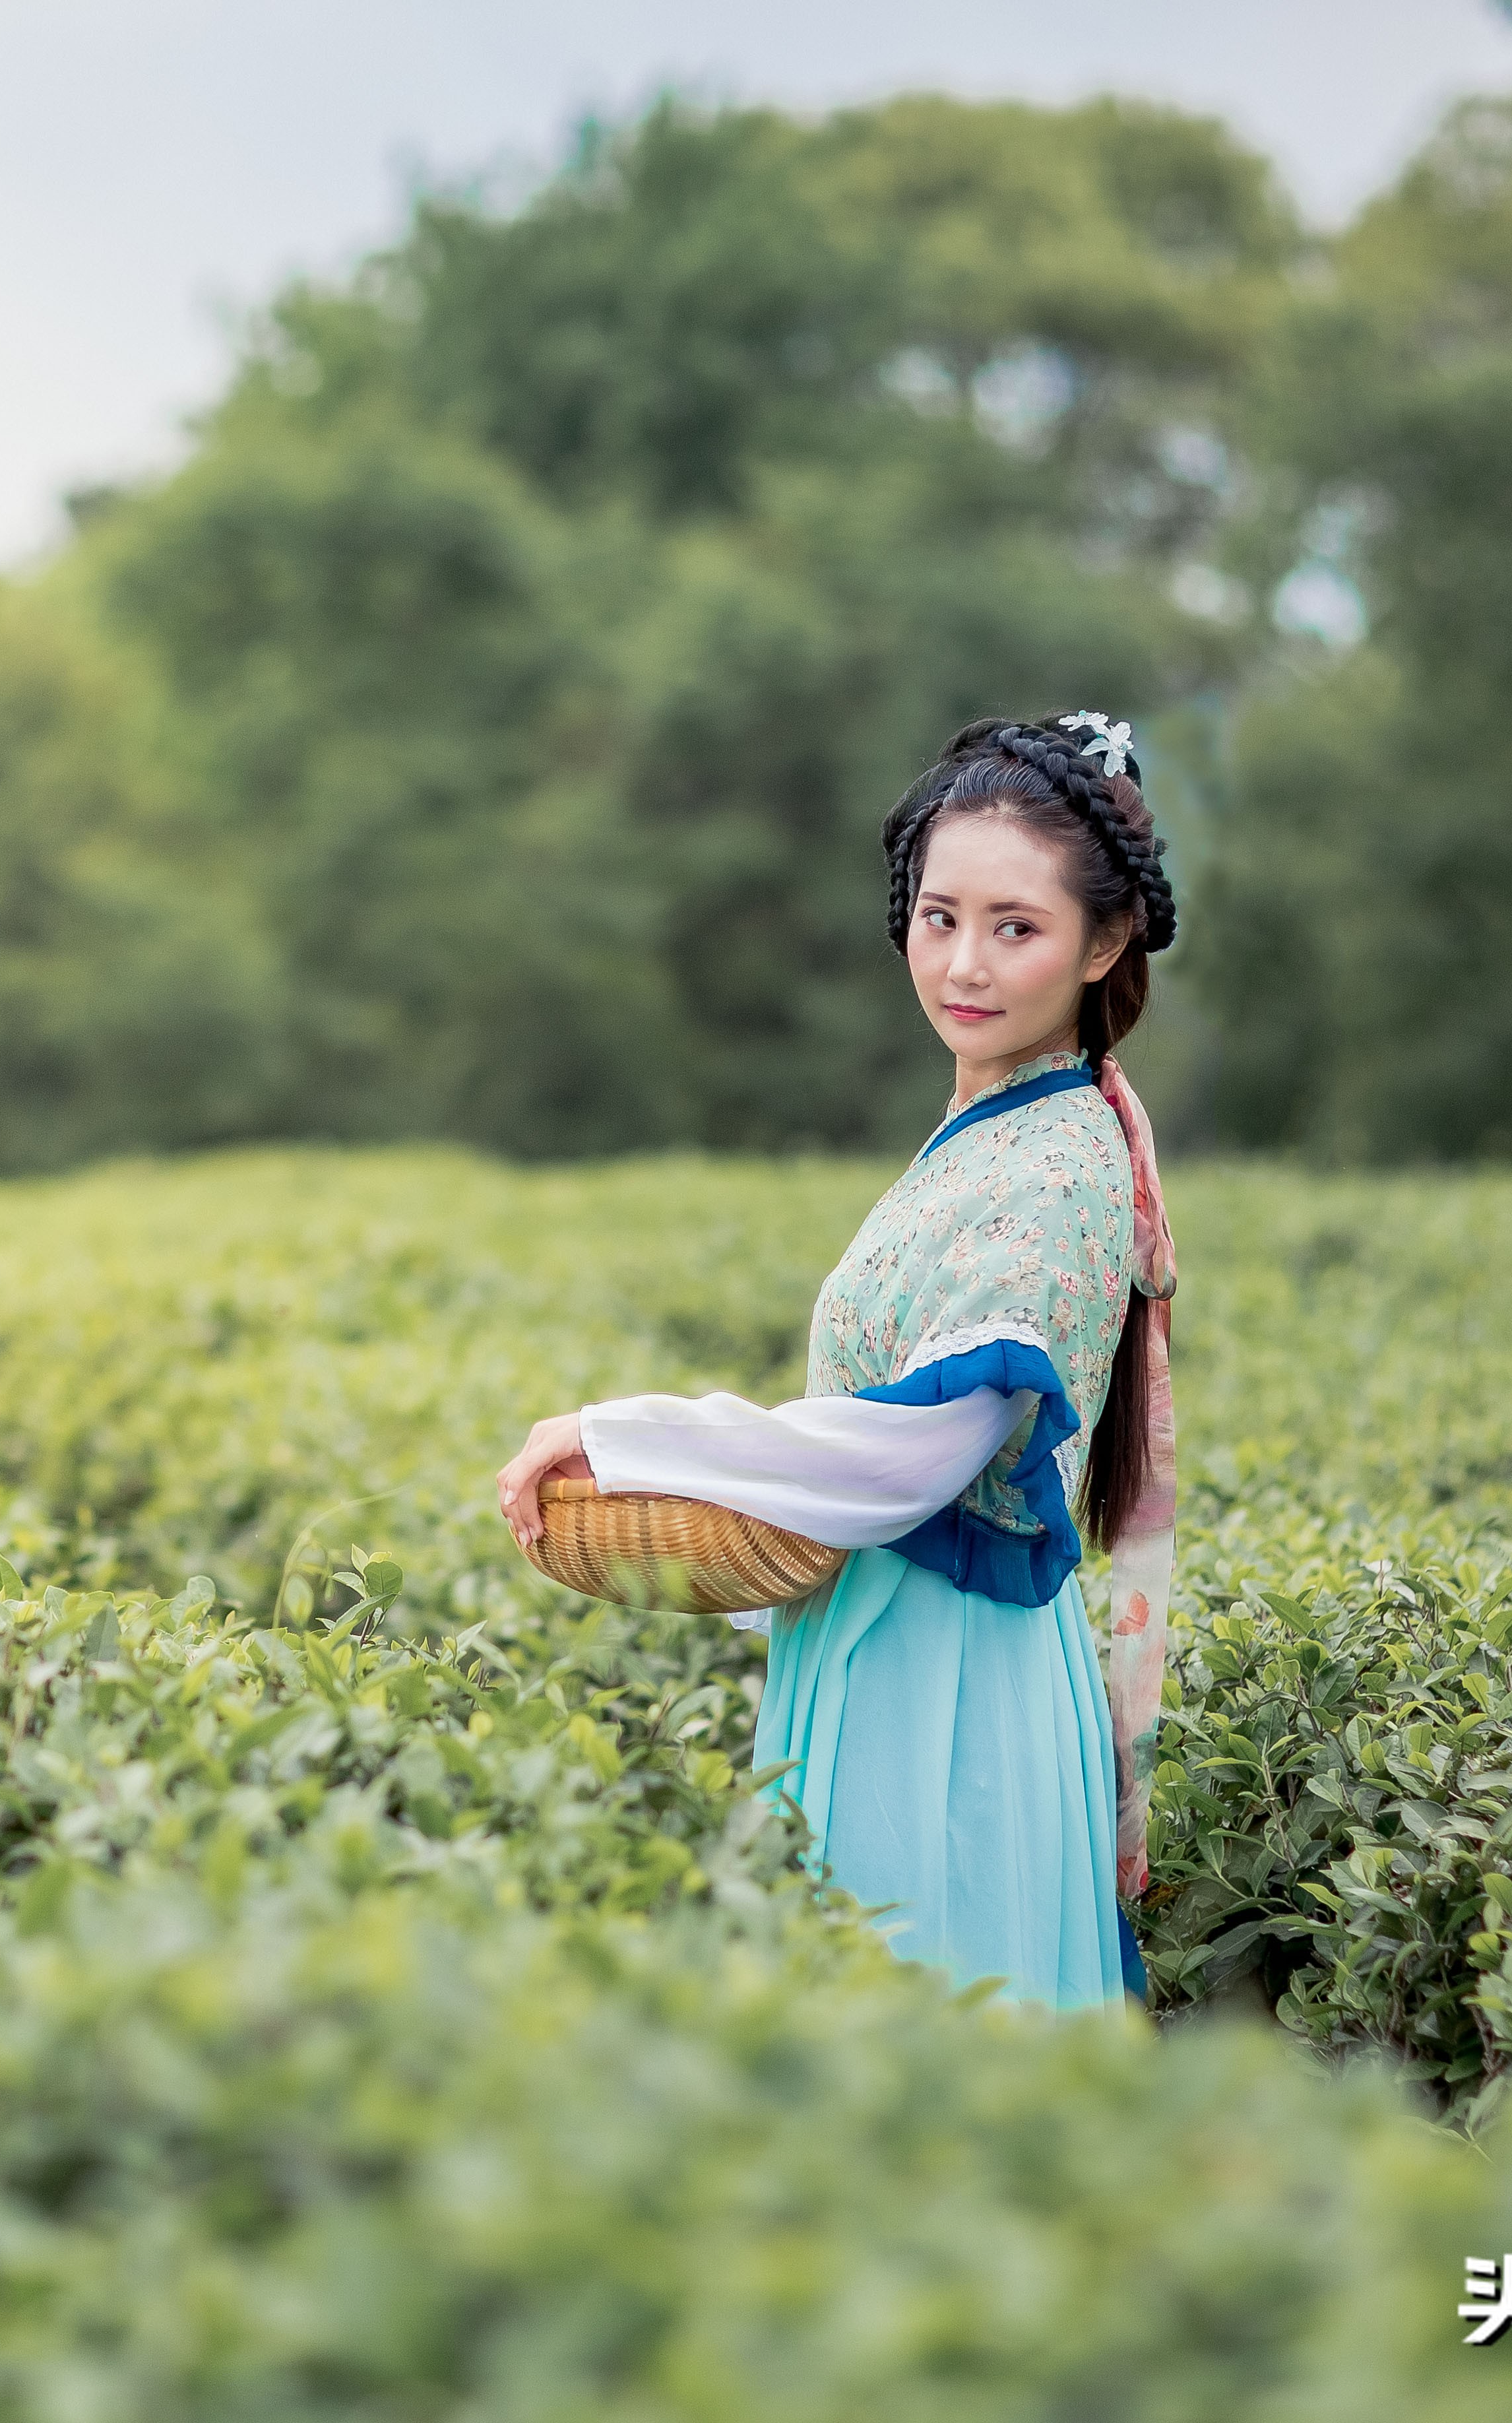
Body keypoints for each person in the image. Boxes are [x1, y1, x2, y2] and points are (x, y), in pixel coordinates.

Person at [495, 711, 1180, 2010]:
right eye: (939, 917)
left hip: (947, 1688)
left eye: (1015, 928)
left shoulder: (1051, 1168)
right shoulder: (1003, 1124)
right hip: (884, 1639)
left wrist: (624, 1437)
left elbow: (908, 1454)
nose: (963, 964)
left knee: (921, 2036)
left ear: (1104, 944)